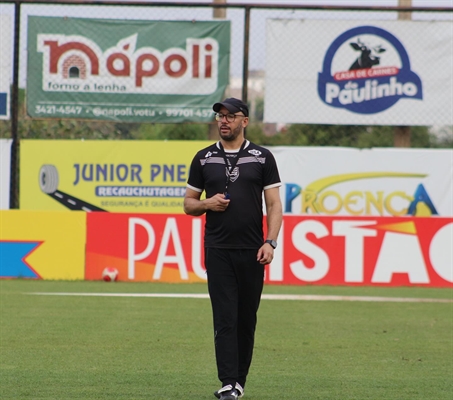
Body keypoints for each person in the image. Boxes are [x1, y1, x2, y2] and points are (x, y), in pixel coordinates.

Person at [183, 98, 283, 400]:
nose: (223, 120)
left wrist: (270, 241)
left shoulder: (262, 157)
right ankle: (228, 382)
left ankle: (238, 381)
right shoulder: (203, 158)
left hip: (253, 250)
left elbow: (275, 204)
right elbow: (188, 204)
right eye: (219, 116)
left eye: (230, 116)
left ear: (245, 121)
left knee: (245, 319)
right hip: (218, 249)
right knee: (225, 316)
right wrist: (206, 204)